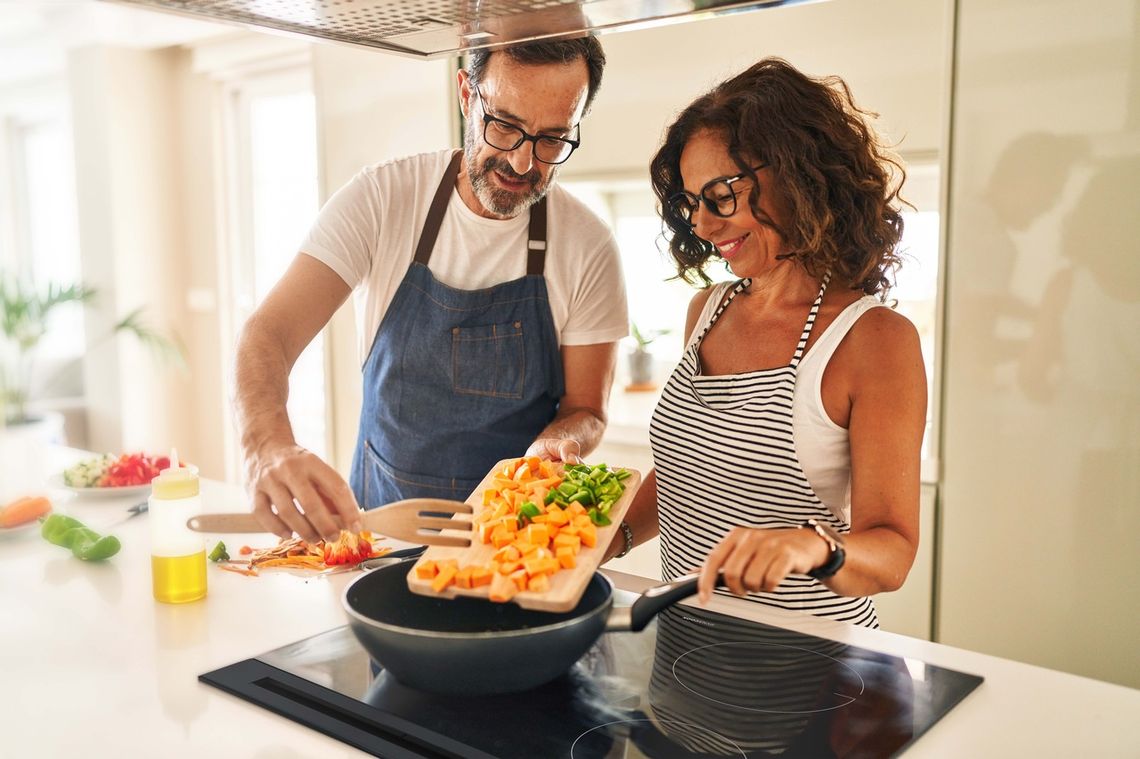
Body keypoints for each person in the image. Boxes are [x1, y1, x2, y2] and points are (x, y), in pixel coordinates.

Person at [233, 37, 628, 543]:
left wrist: (558, 443)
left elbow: (586, 410)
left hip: (509, 543)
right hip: (376, 534)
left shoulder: (588, 245)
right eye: (504, 126)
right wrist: (267, 447)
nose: (524, 163)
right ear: (466, 94)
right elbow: (268, 335)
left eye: (552, 139)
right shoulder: (382, 199)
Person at [613, 58, 926, 627]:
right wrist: (604, 535)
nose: (704, 226)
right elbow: (692, 474)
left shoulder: (873, 339)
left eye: (722, 195)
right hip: (688, 643)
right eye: (692, 203)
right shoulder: (707, 310)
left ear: (798, 174)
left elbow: (894, 550)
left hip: (813, 664)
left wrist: (813, 546)